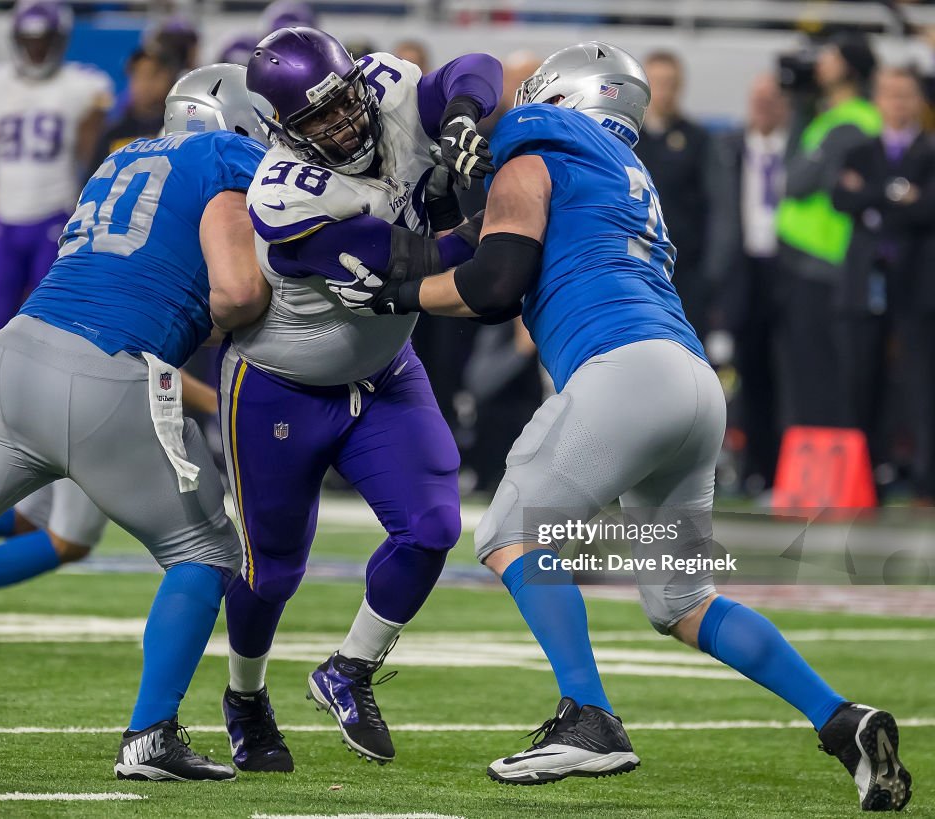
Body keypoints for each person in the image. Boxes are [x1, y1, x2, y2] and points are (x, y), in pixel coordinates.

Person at [327, 42, 912, 812]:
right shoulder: (618, 167)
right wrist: (399, 259)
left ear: (556, 96)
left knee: (509, 534)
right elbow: (475, 240)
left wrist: (386, 296)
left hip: (625, 377)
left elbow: (496, 283)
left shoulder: (537, 138)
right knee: (682, 599)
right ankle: (842, 719)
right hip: (689, 387)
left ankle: (589, 718)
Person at [0, 64, 272, 782]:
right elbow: (235, 292)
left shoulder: (121, 155)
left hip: (13, 356)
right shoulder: (228, 157)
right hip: (109, 368)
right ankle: (150, 735)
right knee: (205, 549)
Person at [220, 26, 500, 772]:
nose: (342, 124)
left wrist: (466, 115)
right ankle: (244, 697)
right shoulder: (283, 197)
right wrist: (489, 217)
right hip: (280, 385)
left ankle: (348, 669)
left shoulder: (388, 86)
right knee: (271, 568)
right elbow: (422, 259)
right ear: (282, 130)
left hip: (385, 372)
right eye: (317, 119)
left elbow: (475, 67)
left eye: (343, 103)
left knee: (434, 525)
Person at [0, 371, 220, 646]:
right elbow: (155, 362)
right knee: (69, 541)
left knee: (29, 521)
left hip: (27, 375)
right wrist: (219, 403)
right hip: (84, 392)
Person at [0, 1, 113, 378]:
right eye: (29, 41)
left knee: (52, 329)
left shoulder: (85, 86)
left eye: (44, 41)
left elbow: (92, 157)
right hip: (3, 220)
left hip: (57, 220)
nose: (36, 50)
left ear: (60, 40)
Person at [832, 65, 935, 498]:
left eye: (906, 94)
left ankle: (924, 476)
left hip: (917, 283)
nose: (898, 103)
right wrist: (897, 192)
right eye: (890, 94)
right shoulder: (859, 149)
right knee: (862, 378)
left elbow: (927, 209)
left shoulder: (929, 153)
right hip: (866, 281)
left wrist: (873, 196)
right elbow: (842, 197)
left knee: (920, 382)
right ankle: (865, 474)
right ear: (878, 100)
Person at [775, 32, 881, 427]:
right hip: (811, 261)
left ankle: (827, 471)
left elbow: (794, 181)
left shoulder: (852, 123)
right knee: (810, 370)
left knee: (819, 374)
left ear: (849, 69)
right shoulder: (830, 118)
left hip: (822, 262)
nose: (819, 64)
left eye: (830, 57)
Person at [711, 73, 790, 494]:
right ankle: (754, 470)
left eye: (772, 100)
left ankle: (785, 470)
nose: (763, 108)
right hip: (742, 273)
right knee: (747, 373)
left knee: (790, 374)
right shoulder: (727, 149)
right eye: (756, 100)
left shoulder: (799, 149)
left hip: (790, 271)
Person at [634, 50, 724, 340]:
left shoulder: (698, 140)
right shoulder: (626, 139)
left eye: (670, 82)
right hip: (635, 266)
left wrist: (710, 272)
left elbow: (716, 206)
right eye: (656, 82)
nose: (663, 91)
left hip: (685, 271)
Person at [87, 46, 179, 178]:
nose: (143, 84)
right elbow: (94, 183)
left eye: (152, 75)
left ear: (170, 78)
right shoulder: (114, 134)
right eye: (137, 75)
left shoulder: (180, 130)